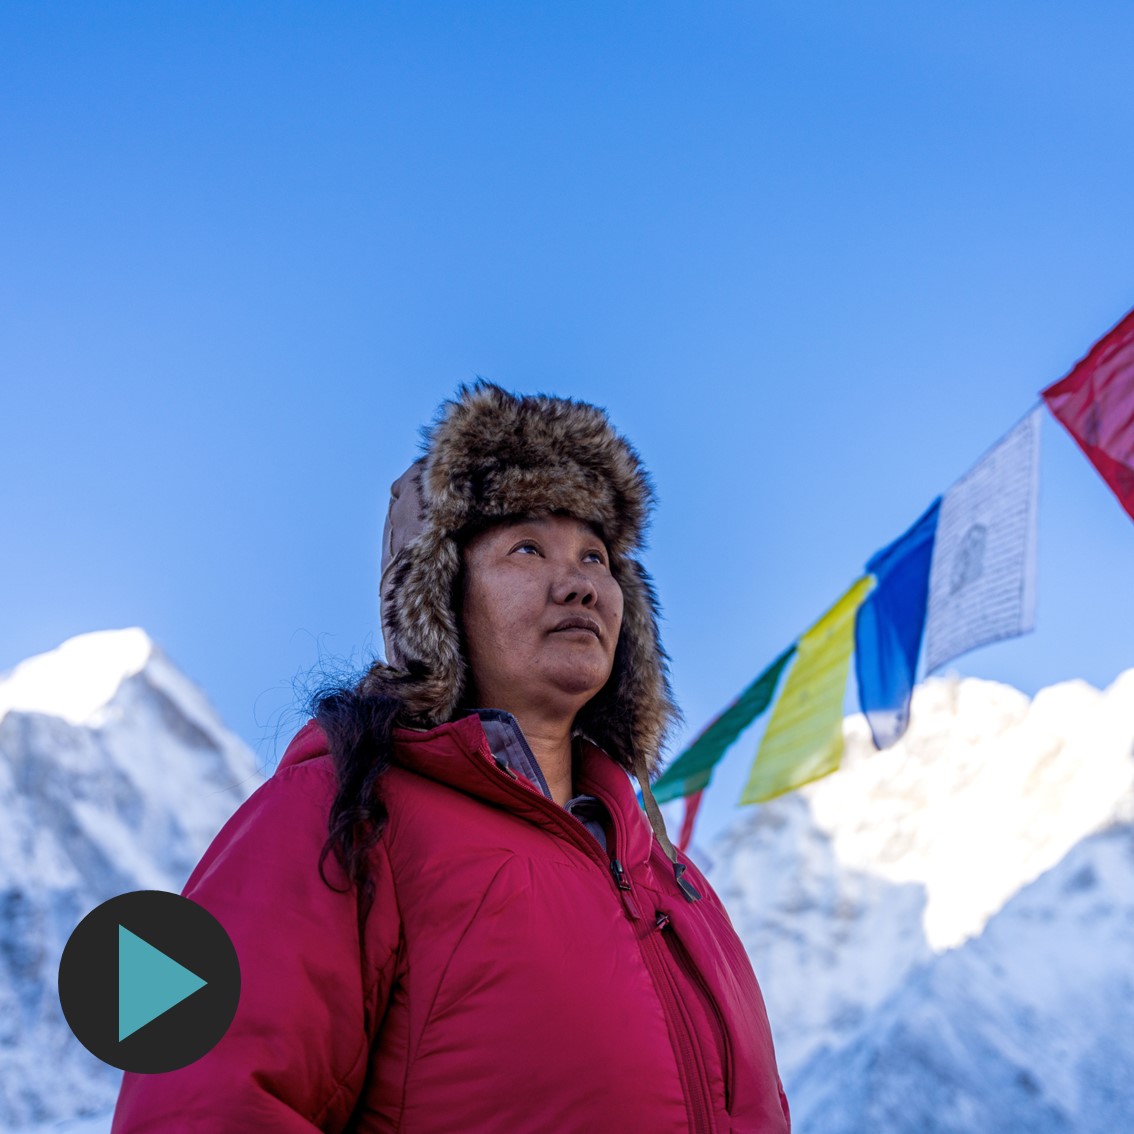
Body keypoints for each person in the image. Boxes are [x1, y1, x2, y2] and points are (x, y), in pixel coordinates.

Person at [112, 382, 791, 1132]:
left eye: (596, 557)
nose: (580, 584)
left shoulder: (674, 878)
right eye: (527, 549)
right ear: (440, 598)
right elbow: (201, 1106)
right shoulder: (342, 814)